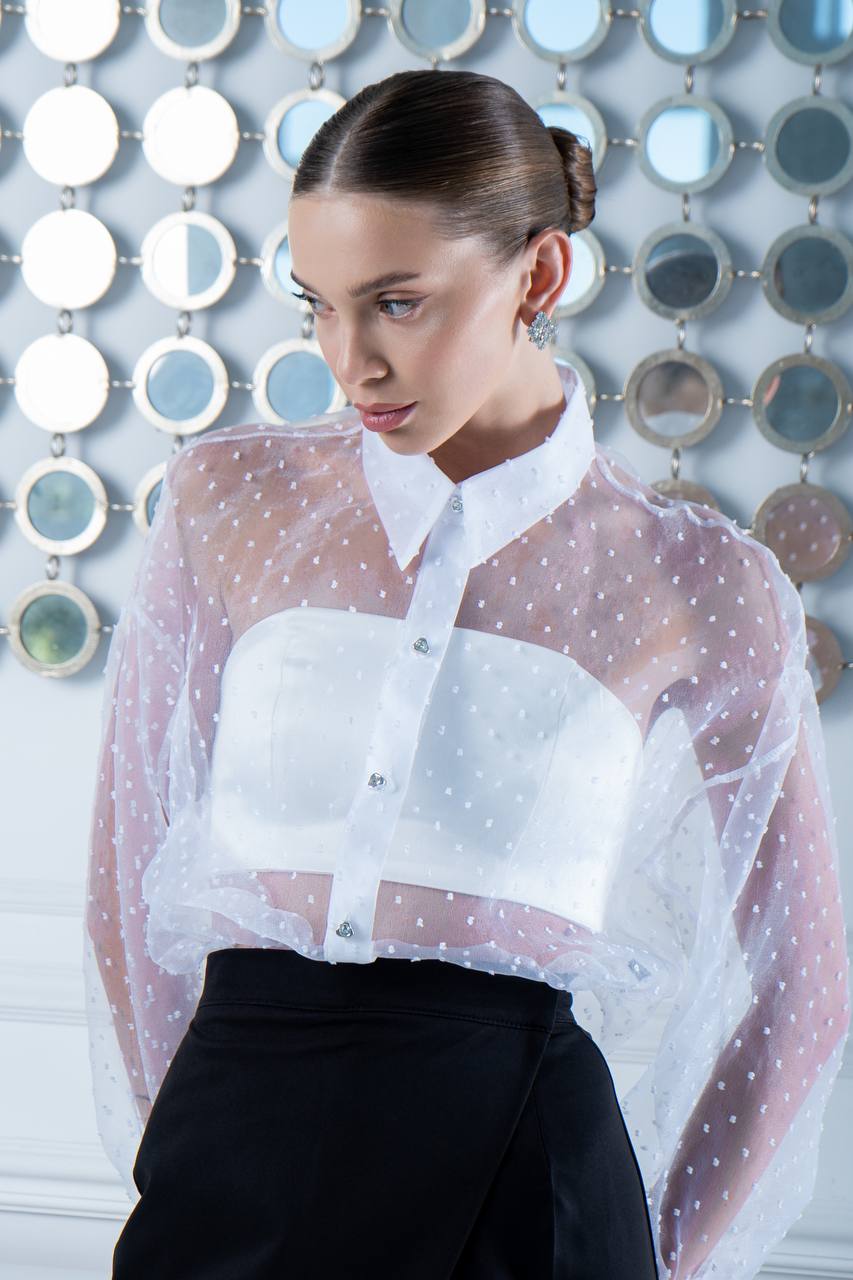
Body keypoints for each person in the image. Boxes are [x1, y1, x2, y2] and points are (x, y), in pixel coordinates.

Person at [83, 69, 849, 1279]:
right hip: (230, 1167)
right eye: (319, 305)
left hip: (528, 1190)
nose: (353, 360)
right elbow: (128, 884)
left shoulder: (695, 580)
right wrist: (197, 1147)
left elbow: (805, 988)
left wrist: (660, 1255)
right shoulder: (225, 502)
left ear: (537, 277)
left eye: (396, 302)